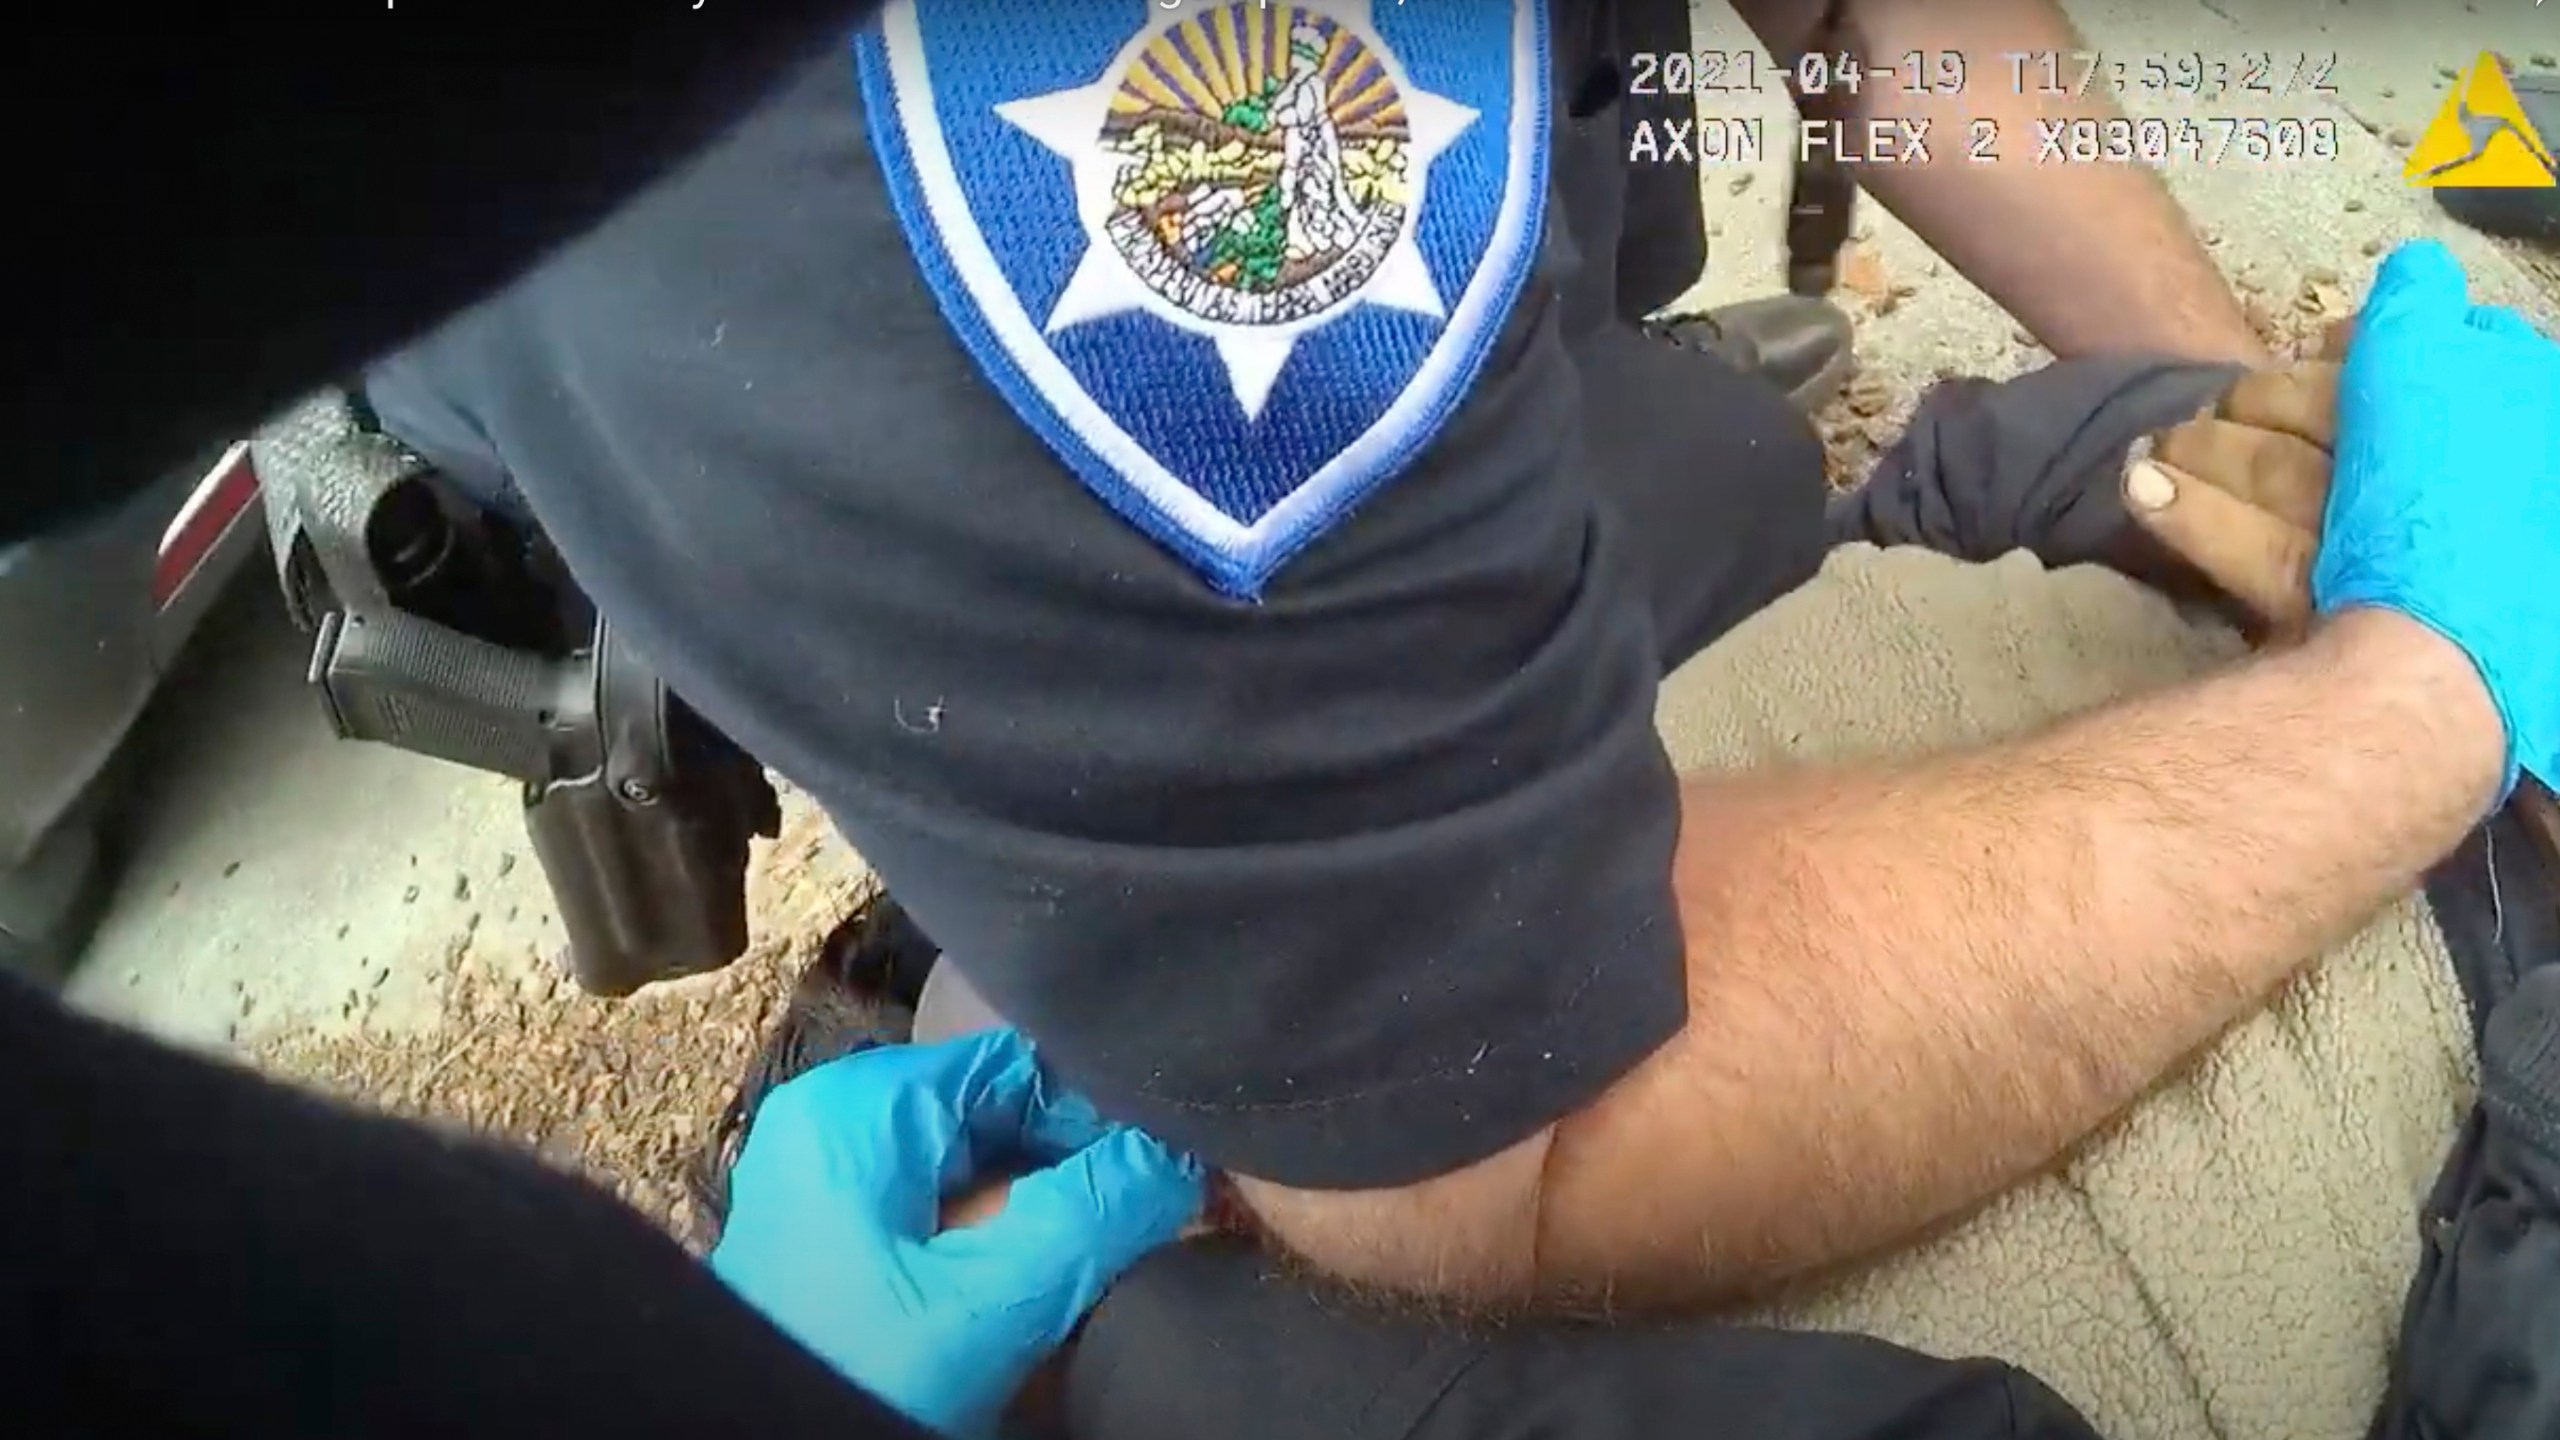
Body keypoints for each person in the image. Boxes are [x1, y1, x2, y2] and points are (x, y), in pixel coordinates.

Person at [2, 6, 2558, 1440]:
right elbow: (1502, 1155)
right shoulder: (1000, 158)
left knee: (1643, 452)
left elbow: (1894, 26)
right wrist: (2416, 697)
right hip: (976, 314)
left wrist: (2248, 424)